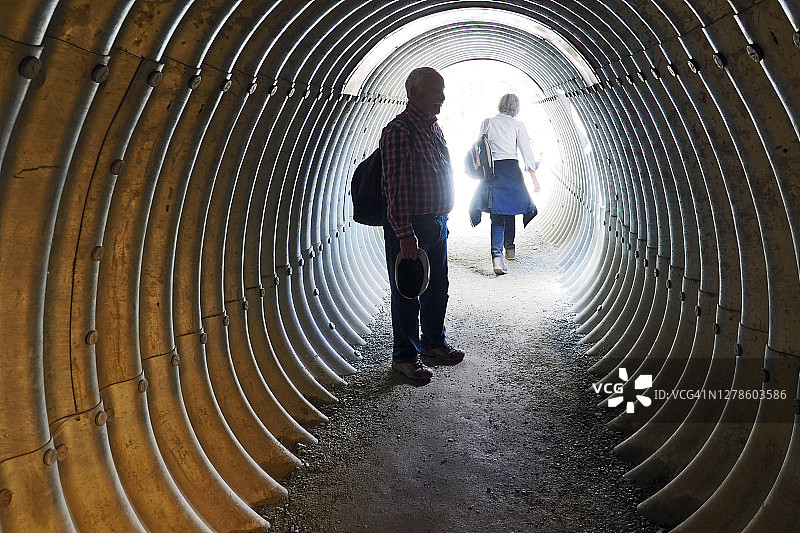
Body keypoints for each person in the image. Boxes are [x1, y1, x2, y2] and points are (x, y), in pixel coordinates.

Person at [379, 67, 465, 381]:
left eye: (442, 91)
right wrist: (404, 234)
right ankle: (405, 357)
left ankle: (433, 343)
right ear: (414, 93)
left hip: (435, 223)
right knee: (408, 292)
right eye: (435, 91)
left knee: (436, 287)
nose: (442, 97)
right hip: (412, 227)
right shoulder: (400, 131)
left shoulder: (432, 127)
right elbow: (396, 186)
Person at [469, 93, 541, 275]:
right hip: (511, 170)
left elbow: (479, 148)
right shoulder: (518, 125)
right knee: (510, 210)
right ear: (517, 108)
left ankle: (497, 257)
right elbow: (527, 152)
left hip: (493, 171)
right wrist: (534, 176)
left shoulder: (487, 123)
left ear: (500, 105)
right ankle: (510, 247)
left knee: (497, 214)